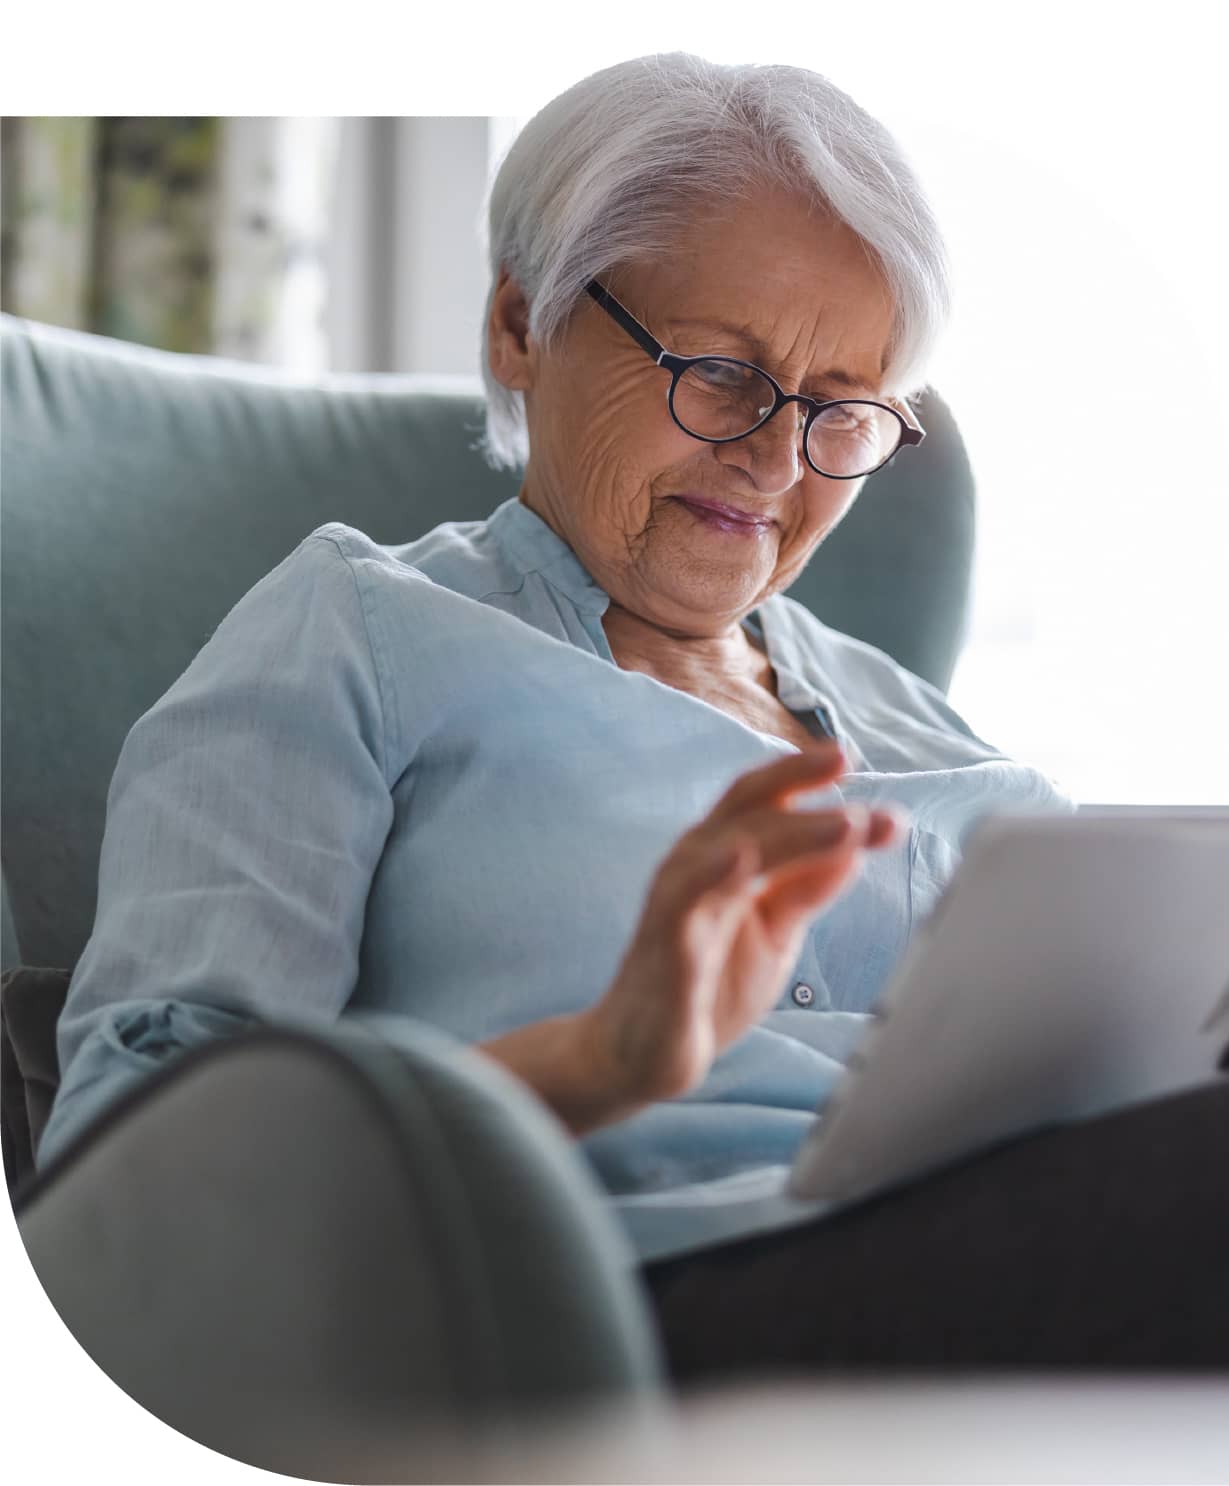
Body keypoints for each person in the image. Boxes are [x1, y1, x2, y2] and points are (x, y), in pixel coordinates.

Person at [38, 53, 1228, 1372]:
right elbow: (127, 1171)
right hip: (621, 1310)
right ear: (518, 323)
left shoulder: (937, 740)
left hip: (1035, 1263)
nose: (776, 460)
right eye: (719, 371)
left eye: (840, 409)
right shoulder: (361, 635)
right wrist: (596, 1060)